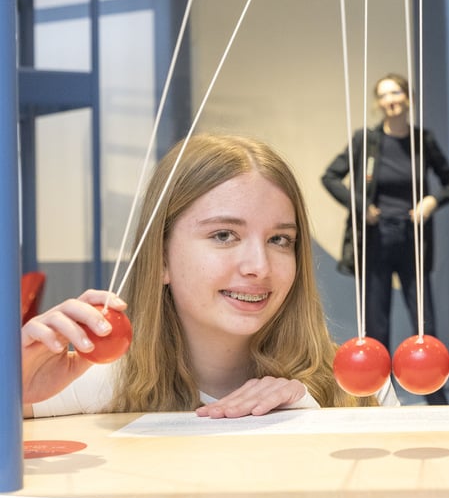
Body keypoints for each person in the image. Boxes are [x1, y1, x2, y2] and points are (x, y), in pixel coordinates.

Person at [22, 133, 397, 418]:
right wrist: (12, 393)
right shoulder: (94, 384)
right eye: (223, 235)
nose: (259, 266)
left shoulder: (358, 383)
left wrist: (311, 427)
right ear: (162, 259)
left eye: (280, 239)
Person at [322, 73, 449, 405]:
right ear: (378, 103)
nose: (391, 99)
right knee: (376, 326)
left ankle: (436, 397)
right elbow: (330, 177)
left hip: (413, 239)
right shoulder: (365, 141)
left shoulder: (421, 140)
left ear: (407, 98)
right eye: (384, 94)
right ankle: (375, 397)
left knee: (424, 325)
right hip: (375, 241)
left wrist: (431, 201)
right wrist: (361, 206)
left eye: (396, 91)